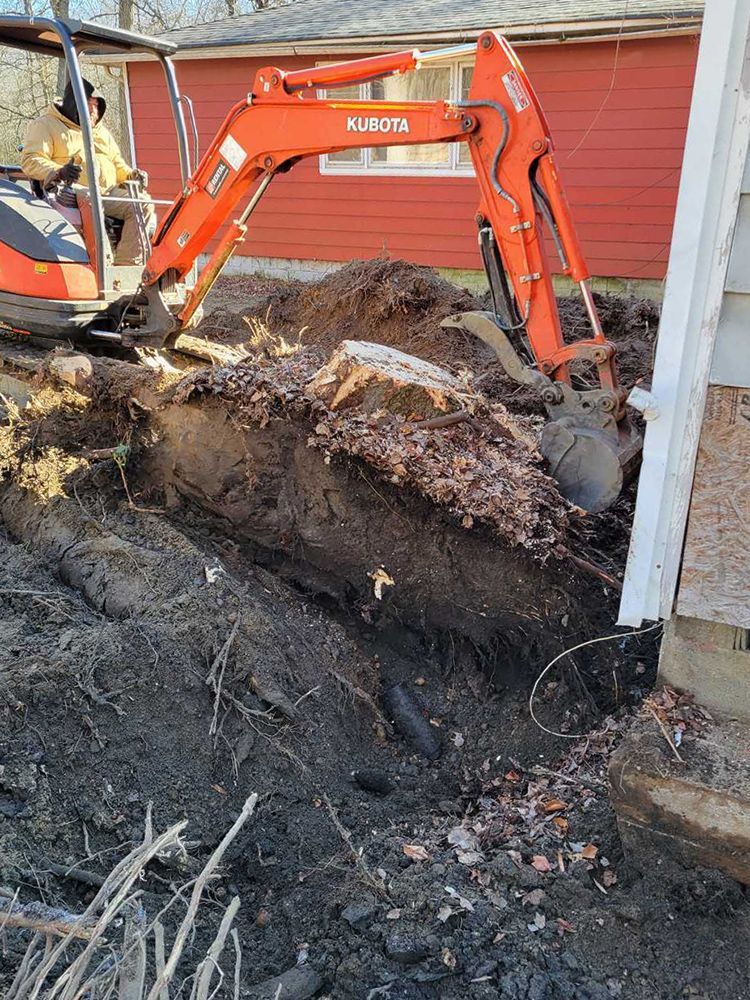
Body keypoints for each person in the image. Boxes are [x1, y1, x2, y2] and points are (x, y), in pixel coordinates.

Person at [21, 78, 155, 266]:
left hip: (105, 192)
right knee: (91, 200)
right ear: (74, 104)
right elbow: (30, 161)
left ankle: (128, 268)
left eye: (96, 106)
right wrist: (60, 171)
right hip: (69, 193)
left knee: (141, 203)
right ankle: (103, 267)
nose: (94, 111)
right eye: (89, 105)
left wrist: (131, 175)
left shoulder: (101, 132)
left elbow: (117, 164)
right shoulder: (46, 125)